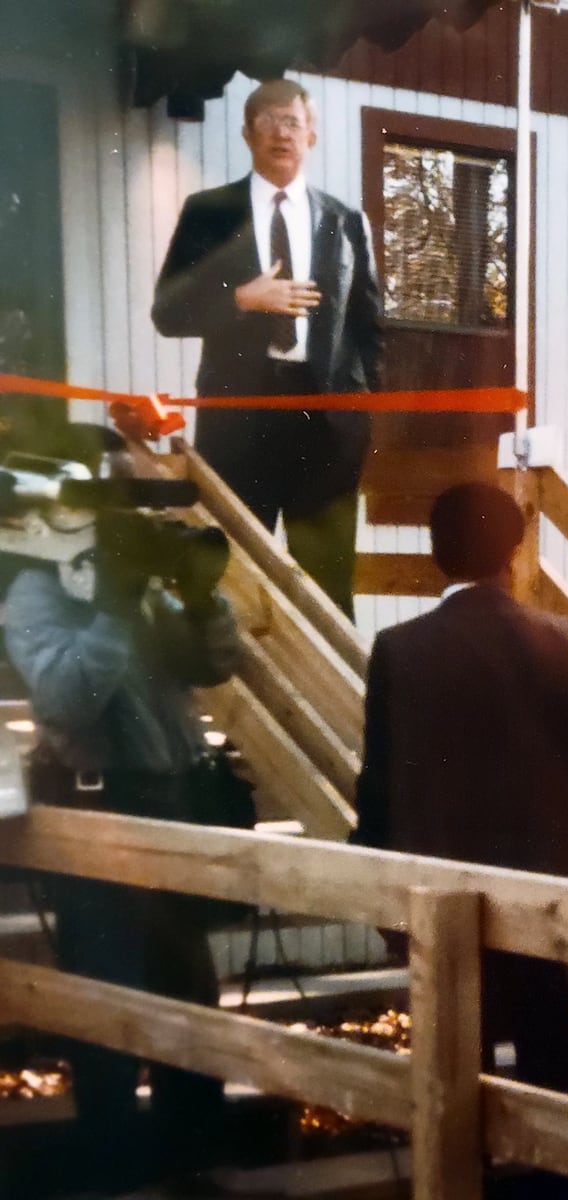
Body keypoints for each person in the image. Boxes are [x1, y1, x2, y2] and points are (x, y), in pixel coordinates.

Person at [4, 485, 241, 1193]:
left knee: (189, 991)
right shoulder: (35, 594)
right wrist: (111, 607)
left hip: (174, 805)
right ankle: (114, 1165)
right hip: (101, 810)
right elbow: (65, 697)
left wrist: (201, 603)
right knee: (108, 996)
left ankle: (195, 1154)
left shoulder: (139, 590)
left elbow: (216, 664)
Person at [352, 482, 568, 1097]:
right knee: (551, 1059)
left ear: (436, 553)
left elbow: (378, 786)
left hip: (440, 887)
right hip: (541, 885)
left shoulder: (399, 651)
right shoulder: (567, 641)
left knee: (453, 1067)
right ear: (514, 554)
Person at [152, 77, 382, 618]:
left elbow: (370, 328)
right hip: (240, 419)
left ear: (312, 137)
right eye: (269, 121)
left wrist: (359, 413)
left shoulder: (343, 220)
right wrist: (241, 300)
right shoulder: (210, 212)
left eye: (293, 122)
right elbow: (168, 313)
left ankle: (338, 705)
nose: (282, 133)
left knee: (328, 583)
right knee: (232, 571)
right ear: (248, 134)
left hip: (324, 426)